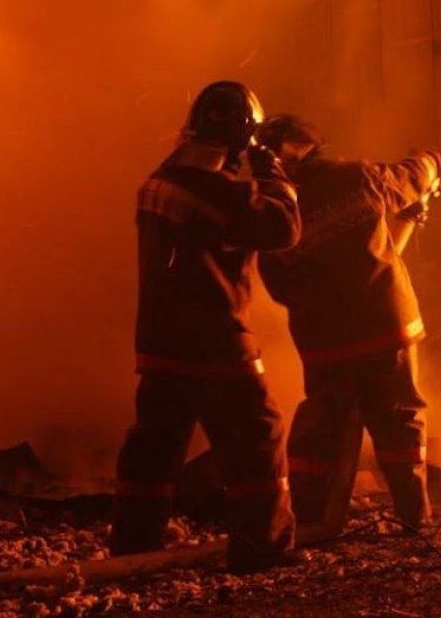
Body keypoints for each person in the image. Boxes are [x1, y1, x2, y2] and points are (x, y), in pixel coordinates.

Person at [111, 81, 301, 572]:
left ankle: (133, 551)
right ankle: (263, 549)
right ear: (241, 141)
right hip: (216, 344)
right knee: (259, 438)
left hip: (161, 344)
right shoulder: (216, 193)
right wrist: (270, 167)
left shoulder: (159, 179)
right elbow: (283, 227)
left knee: (154, 450)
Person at [254, 114, 441, 534]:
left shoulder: (272, 210)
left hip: (324, 341)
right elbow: (409, 175)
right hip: (385, 329)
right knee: (399, 421)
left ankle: (310, 518)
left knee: (320, 431)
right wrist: (438, 162)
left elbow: (278, 286)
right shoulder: (356, 178)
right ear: (312, 146)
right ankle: (415, 518)